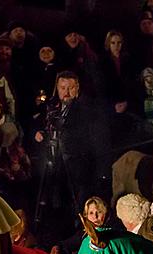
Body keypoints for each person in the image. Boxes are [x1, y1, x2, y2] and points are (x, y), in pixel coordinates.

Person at [33, 70, 110, 240]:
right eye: (62, 88)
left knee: (78, 208)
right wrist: (39, 134)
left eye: (70, 88)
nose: (66, 92)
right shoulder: (52, 109)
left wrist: (101, 172)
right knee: (56, 207)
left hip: (79, 169)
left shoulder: (88, 110)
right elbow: (41, 127)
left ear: (77, 89)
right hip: (55, 168)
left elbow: (98, 142)